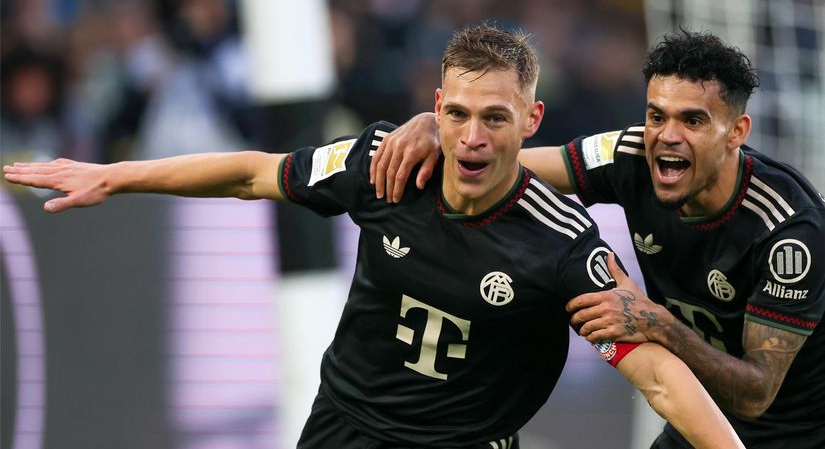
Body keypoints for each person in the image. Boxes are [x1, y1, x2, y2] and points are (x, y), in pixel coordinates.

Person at [4, 25, 742, 449]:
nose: (472, 136)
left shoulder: (561, 244)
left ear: (531, 120)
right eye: (456, 113)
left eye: (494, 117)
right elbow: (253, 174)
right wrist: (114, 175)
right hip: (342, 428)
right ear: (436, 109)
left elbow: (654, 375)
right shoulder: (384, 166)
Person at [369, 29, 825, 448]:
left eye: (693, 121)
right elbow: (508, 164)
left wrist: (663, 326)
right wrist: (437, 129)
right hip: (702, 418)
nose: (668, 136)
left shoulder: (789, 234)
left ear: (736, 133)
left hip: (796, 433)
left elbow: (756, 395)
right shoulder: (631, 156)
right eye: (656, 116)